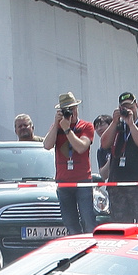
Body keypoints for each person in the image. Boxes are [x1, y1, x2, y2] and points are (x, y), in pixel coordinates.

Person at [45, 91, 95, 235]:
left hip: (82, 181)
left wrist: (67, 129)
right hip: (63, 182)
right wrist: (56, 125)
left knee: (88, 219)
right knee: (69, 222)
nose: (70, 113)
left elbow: (80, 147)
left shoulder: (86, 126)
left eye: (72, 109)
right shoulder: (57, 127)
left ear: (77, 109)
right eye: (66, 110)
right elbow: (47, 145)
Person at [100, 92, 138, 223]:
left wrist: (131, 124)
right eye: (124, 108)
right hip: (117, 184)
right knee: (121, 226)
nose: (128, 110)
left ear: (136, 105)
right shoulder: (117, 127)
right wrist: (114, 122)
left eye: (130, 106)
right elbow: (104, 143)